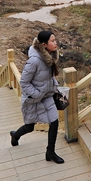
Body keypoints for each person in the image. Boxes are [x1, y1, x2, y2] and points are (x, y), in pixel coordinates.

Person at [9, 30, 64, 164]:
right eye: (52, 41)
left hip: (47, 96)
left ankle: (50, 152)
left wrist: (55, 88)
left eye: (55, 40)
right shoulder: (34, 61)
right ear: (44, 44)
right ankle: (15, 135)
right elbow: (24, 82)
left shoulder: (50, 57)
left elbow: (48, 77)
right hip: (33, 99)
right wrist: (37, 94)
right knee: (30, 127)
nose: (56, 43)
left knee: (54, 122)